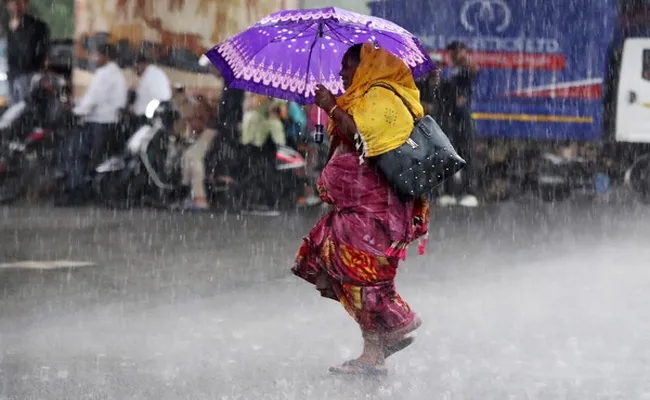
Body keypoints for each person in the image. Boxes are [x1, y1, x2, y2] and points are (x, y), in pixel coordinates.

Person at [292, 43, 430, 375]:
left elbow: (364, 141)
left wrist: (332, 108)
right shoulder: (361, 97)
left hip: (376, 212)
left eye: (347, 66)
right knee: (336, 266)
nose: (341, 73)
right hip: (354, 209)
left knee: (363, 279)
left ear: (367, 66)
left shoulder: (382, 97)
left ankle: (394, 325)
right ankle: (376, 349)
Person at [58, 43, 127, 205]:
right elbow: (92, 98)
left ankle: (77, 192)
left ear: (105, 56)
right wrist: (77, 103)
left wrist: (75, 112)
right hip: (108, 122)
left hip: (99, 122)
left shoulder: (105, 74)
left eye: (97, 55)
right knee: (93, 158)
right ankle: (84, 191)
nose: (94, 58)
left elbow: (94, 99)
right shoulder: (115, 73)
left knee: (76, 155)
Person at [437, 41, 480, 207]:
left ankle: (470, 192)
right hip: (450, 116)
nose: (453, 55)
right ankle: (449, 192)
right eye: (452, 52)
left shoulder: (466, 68)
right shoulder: (451, 71)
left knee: (466, 153)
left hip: (462, 117)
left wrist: (464, 59)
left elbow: (475, 70)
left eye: (456, 52)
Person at [240, 93, 286, 216]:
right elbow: (248, 107)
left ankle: (267, 202)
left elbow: (281, 113)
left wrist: (273, 105)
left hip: (270, 137)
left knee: (268, 170)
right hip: (255, 136)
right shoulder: (252, 91)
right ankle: (255, 202)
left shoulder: (277, 93)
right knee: (255, 170)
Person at [175, 101, 218, 211]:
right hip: (210, 133)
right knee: (188, 156)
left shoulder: (211, 130)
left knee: (192, 157)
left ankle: (198, 197)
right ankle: (190, 193)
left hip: (212, 134)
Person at [5, 0, 50, 104]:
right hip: (10, 77)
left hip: (30, 76)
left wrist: (41, 74)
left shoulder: (38, 27)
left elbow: (45, 53)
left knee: (26, 110)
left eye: (20, 2)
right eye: (12, 2)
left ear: (26, 3)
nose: (16, 5)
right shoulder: (4, 28)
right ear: (7, 5)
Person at [131, 53, 172, 121]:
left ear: (142, 64)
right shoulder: (157, 71)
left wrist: (132, 111)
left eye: (136, 67)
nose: (135, 71)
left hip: (155, 113)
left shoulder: (147, 77)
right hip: (163, 110)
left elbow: (141, 105)